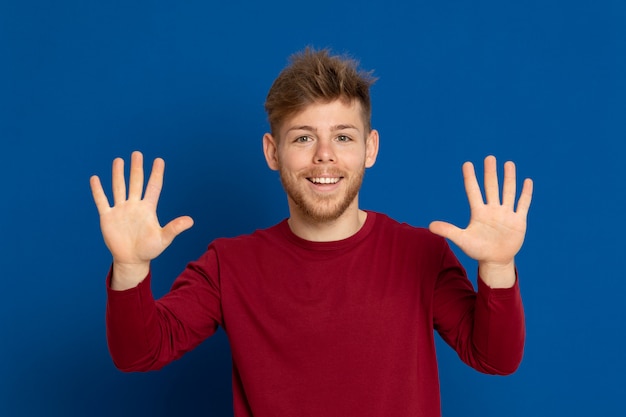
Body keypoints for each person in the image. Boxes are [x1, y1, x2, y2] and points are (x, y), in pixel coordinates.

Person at [90, 48, 533, 417]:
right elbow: (139, 353)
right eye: (303, 138)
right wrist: (130, 269)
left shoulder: (421, 254)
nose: (325, 156)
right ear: (272, 152)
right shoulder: (229, 265)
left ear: (370, 149)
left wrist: (498, 267)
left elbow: (495, 357)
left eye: (343, 137)